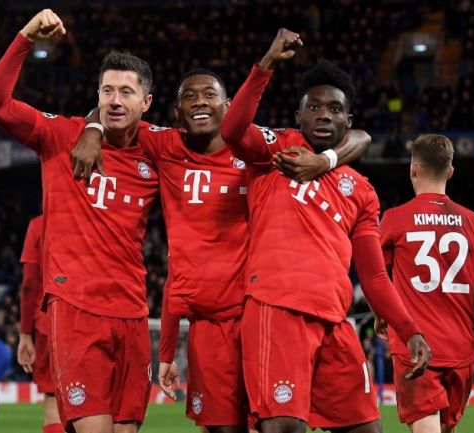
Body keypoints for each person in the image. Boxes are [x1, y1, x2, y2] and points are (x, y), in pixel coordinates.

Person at [71, 66, 370, 433]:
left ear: (229, 105)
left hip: (261, 310)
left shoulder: (261, 151)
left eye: (210, 95)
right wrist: (93, 128)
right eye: (190, 97)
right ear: (177, 112)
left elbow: (359, 135)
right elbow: (116, 113)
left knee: (279, 422)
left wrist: (326, 160)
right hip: (211, 321)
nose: (201, 103)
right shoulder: (165, 145)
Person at [220, 29, 432, 433]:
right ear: (298, 116)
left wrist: (410, 329)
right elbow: (231, 130)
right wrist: (266, 64)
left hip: (336, 322)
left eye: (334, 109)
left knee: (366, 427)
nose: (323, 115)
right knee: (284, 427)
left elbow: (372, 275)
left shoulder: (361, 191)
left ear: (347, 120)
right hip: (276, 309)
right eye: (313, 107)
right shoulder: (277, 149)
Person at [0, 9, 157, 433]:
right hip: (76, 309)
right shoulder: (60, 136)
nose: (115, 100)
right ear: (96, 95)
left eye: (127, 92)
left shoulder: (157, 150)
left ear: (145, 102)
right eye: (107, 90)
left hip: (132, 312)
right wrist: (23, 38)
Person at [377, 134, 474, 433]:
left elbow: (377, 277)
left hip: (416, 344)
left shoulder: (395, 219)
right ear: (450, 172)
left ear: (413, 169)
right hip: (461, 347)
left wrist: (380, 315)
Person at [18, 214, 64, 433]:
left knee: (53, 397)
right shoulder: (92, 217)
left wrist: (25, 333)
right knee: (93, 402)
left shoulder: (38, 225)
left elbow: (29, 284)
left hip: (48, 320)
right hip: (88, 316)